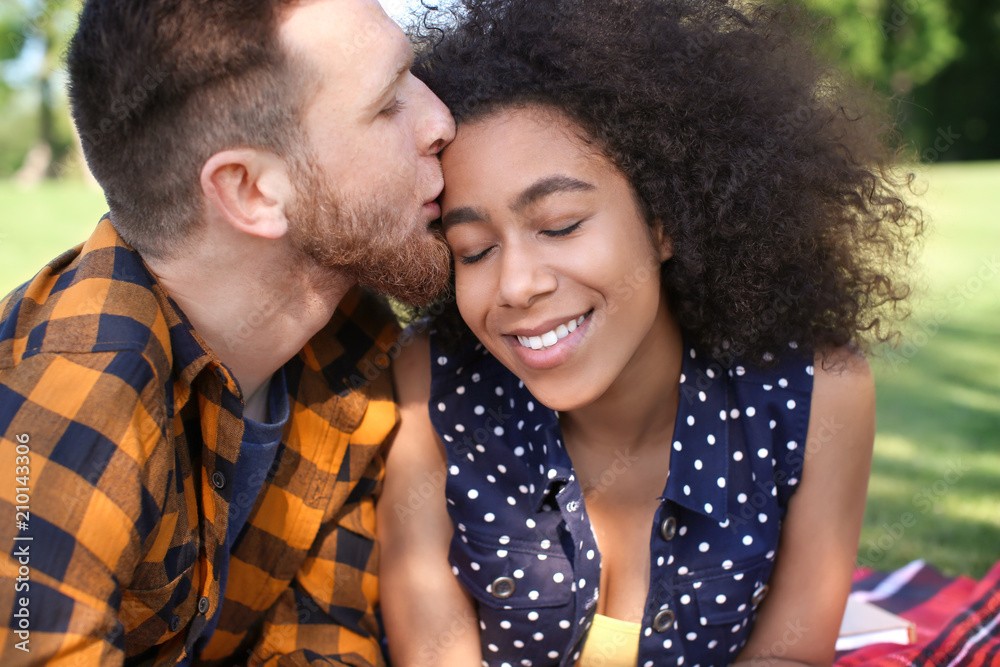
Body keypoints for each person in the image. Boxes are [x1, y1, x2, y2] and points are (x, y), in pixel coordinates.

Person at [377, 0, 922, 665]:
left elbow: (790, 653)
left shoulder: (817, 391)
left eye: (560, 225)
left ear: (664, 219)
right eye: (473, 249)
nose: (517, 284)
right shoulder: (433, 387)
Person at [0, 0, 454, 664]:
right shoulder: (71, 407)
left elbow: (319, 638)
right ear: (250, 190)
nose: (442, 119)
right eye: (388, 105)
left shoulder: (347, 340)